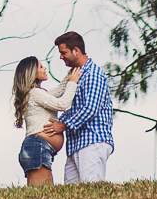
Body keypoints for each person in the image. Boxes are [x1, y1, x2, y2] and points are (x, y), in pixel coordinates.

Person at [43, 31, 114, 183]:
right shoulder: (76, 75)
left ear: (76, 51)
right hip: (75, 145)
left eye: (63, 53)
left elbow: (90, 109)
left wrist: (62, 125)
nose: (61, 57)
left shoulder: (93, 74)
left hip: (92, 141)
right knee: (72, 197)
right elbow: (70, 107)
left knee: (91, 192)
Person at [13, 55, 81, 185]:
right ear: (32, 72)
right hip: (37, 147)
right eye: (41, 66)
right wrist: (72, 82)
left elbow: (59, 90)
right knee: (39, 197)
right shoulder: (34, 93)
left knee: (47, 196)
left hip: (41, 148)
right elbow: (63, 104)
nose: (45, 69)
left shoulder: (38, 92)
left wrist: (71, 73)